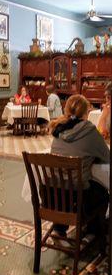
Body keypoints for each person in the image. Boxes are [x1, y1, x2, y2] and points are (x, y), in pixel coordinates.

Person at [49, 94, 110, 239]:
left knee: (64, 183)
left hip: (53, 198)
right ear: (85, 112)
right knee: (102, 192)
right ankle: (92, 229)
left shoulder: (58, 129)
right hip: (78, 198)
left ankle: (59, 227)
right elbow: (107, 157)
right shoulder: (88, 130)